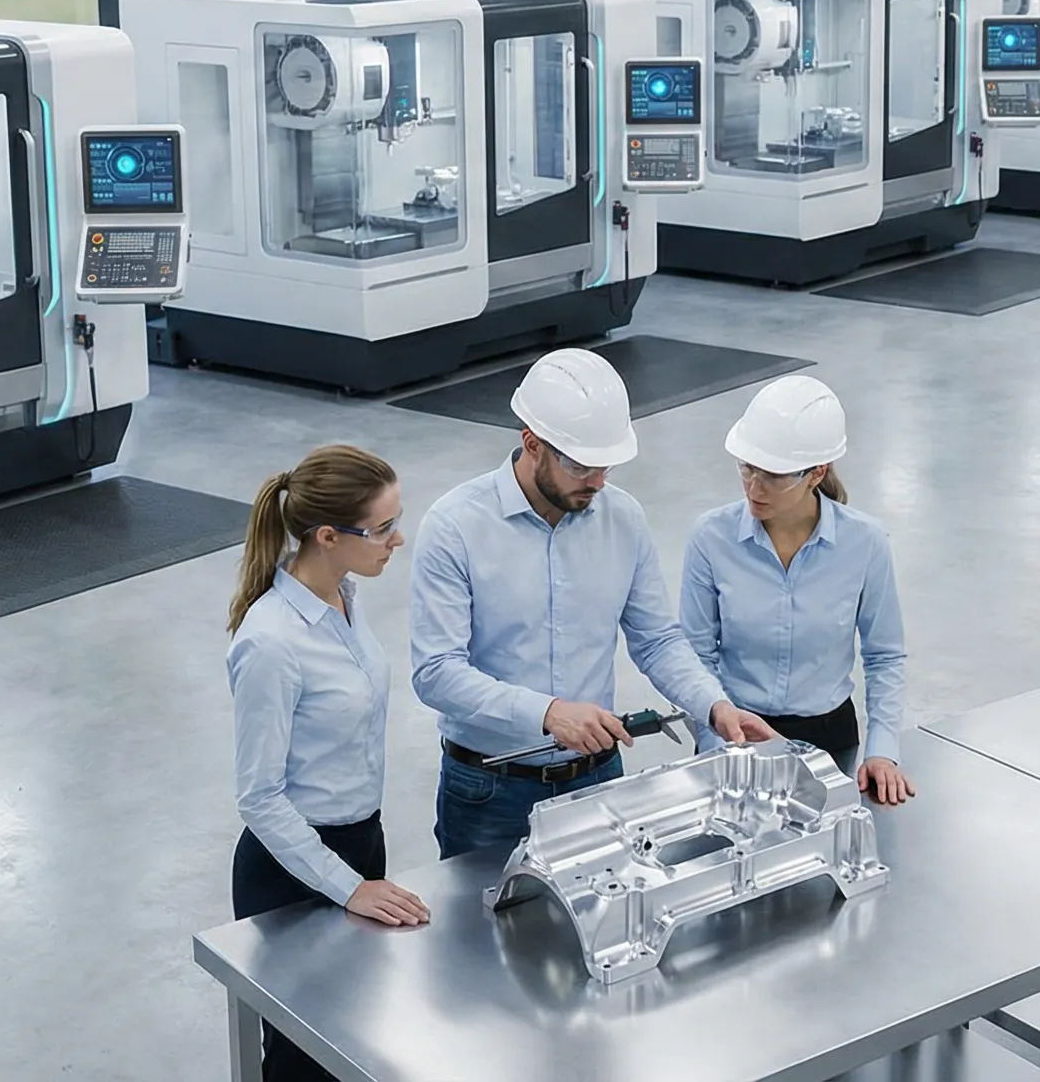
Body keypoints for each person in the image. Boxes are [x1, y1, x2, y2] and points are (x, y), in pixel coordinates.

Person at [410, 347, 775, 860]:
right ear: (531, 443)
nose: (598, 482)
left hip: (599, 778)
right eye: (582, 466)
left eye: (607, 466)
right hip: (491, 789)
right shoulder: (454, 527)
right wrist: (547, 713)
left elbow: (657, 640)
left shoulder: (623, 518)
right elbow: (436, 672)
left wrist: (714, 706)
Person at [226, 445, 432, 1082]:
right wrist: (348, 886)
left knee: (356, 1035)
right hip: (293, 871)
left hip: (362, 841)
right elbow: (259, 796)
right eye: (382, 528)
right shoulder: (270, 642)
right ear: (327, 536)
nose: (398, 540)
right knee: (302, 1060)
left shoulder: (344, 597)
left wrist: (362, 871)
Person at [681, 377, 914, 807]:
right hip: (735, 732)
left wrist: (882, 749)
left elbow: (884, 655)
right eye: (747, 468)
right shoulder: (710, 538)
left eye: (773, 476)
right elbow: (696, 656)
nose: (754, 488)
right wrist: (716, 749)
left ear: (816, 473)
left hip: (830, 740)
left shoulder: (865, 543)